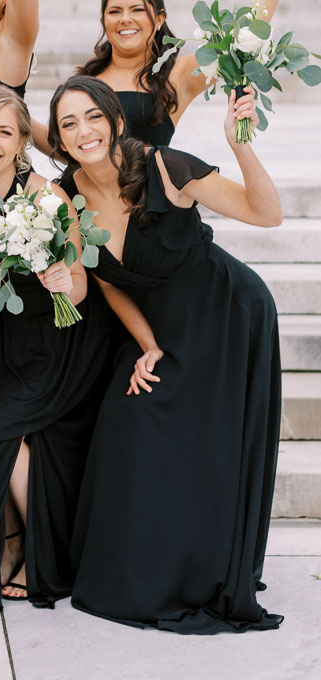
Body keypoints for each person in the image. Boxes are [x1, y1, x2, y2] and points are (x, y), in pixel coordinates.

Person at [49, 76, 283, 634]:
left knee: (203, 441)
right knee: (130, 423)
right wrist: (149, 345)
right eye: (68, 123)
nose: (83, 131)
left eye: (92, 117)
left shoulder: (165, 166)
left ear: (116, 121)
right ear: (58, 138)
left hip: (225, 313)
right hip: (159, 327)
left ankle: (199, 570)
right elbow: (106, 284)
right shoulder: (64, 194)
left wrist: (238, 142)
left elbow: (266, 214)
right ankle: (141, 571)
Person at [0, 85, 112, 613]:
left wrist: (64, 278)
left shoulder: (45, 195)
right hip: (4, 339)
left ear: (20, 143)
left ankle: (42, 550)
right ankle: (14, 545)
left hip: (64, 337)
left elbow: (81, 283)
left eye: (5, 132)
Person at [29, 0, 309, 152]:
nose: (125, 19)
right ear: (104, 21)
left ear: (160, 18)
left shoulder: (179, 73)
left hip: (149, 204)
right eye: (114, 12)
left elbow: (243, 37)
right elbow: (62, 147)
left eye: (137, 10)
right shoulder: (86, 79)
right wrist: (14, 112)